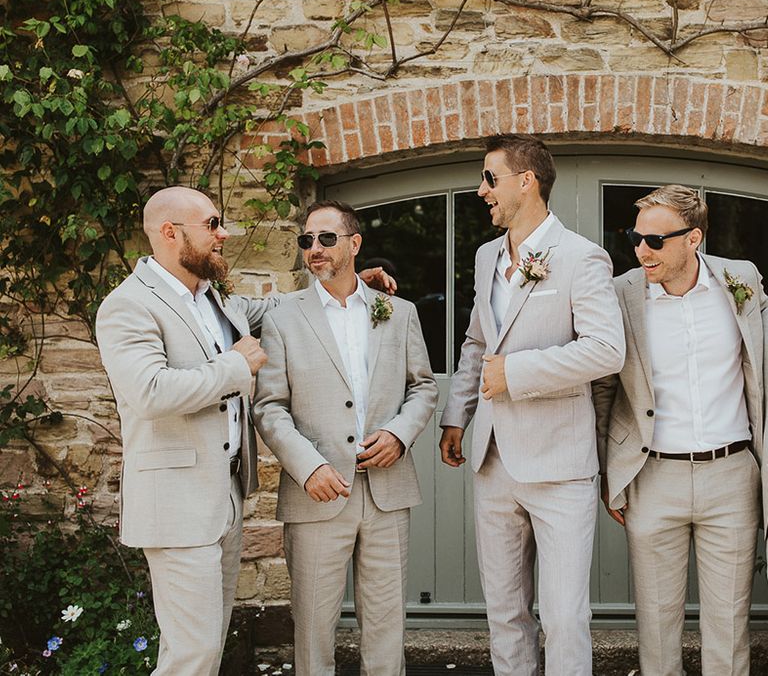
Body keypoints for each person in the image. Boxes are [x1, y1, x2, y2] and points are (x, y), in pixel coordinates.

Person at [95, 187, 395, 676]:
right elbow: (149, 392)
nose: (224, 234)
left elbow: (284, 308)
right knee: (190, 654)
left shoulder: (216, 300)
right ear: (171, 233)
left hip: (224, 500)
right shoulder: (129, 305)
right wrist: (235, 367)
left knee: (206, 648)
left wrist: (349, 282)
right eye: (212, 224)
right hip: (177, 505)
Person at [439, 134, 625, 676]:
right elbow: (478, 341)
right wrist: (458, 413)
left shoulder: (581, 257)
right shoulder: (485, 256)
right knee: (504, 613)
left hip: (560, 467)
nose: (481, 191)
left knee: (564, 617)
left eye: (490, 179)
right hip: (492, 461)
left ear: (528, 181)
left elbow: (606, 349)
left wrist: (515, 374)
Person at [254, 199, 438, 676]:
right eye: (307, 240)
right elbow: (269, 406)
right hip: (317, 492)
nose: (314, 249)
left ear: (355, 244)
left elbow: (423, 386)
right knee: (313, 628)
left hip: (387, 490)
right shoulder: (281, 317)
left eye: (326, 238)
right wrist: (308, 466)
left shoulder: (397, 312)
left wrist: (399, 433)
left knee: (386, 623)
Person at [592, 184, 767, 676]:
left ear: (693, 239)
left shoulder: (742, 280)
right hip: (652, 476)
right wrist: (611, 476)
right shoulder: (622, 293)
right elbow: (604, 390)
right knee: (656, 624)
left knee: (729, 625)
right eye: (635, 237)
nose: (641, 250)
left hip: (732, 476)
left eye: (655, 240)